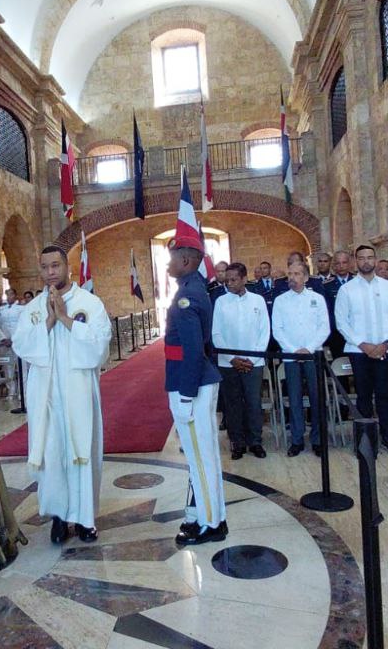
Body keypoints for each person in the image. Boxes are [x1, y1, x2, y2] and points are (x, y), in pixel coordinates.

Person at [12, 246, 111, 544]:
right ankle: (58, 516)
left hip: (78, 390)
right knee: (53, 454)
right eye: (45, 267)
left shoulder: (90, 303)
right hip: (46, 395)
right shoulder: (32, 309)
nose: (51, 272)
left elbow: (99, 347)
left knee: (82, 452)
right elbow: (21, 344)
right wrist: (49, 321)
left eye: (56, 265)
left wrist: (66, 318)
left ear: (67, 267)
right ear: (40, 270)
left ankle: (85, 520)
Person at [164, 233, 227, 545]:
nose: (167, 264)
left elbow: (192, 350)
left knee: (200, 458)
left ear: (186, 261)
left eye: (172, 258)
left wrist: (186, 394)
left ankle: (209, 524)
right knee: (205, 456)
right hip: (196, 380)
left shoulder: (188, 296)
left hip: (191, 383)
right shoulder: (194, 289)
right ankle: (213, 515)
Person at [335, 244, 388, 455]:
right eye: (361, 258)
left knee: (384, 395)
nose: (366, 261)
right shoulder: (346, 289)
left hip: (387, 350)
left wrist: (387, 342)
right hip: (359, 352)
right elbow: (342, 322)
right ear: (355, 261)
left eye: (370, 257)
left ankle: (387, 436)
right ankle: (365, 441)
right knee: (363, 397)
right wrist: (363, 345)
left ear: (375, 260)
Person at [212, 263, 271, 460]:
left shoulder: (258, 300)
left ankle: (255, 441)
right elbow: (216, 333)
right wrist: (233, 359)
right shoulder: (220, 302)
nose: (229, 283)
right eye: (227, 280)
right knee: (233, 404)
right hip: (229, 363)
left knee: (254, 403)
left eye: (234, 280)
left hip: (254, 362)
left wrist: (252, 359)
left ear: (244, 279)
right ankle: (237, 443)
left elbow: (265, 332)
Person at [272, 262, 329, 457]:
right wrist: (293, 350)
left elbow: (324, 328)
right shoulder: (280, 301)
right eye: (290, 274)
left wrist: (309, 348)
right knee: (294, 400)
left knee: (316, 398)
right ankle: (296, 440)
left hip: (314, 356)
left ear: (306, 277)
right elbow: (277, 329)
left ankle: (318, 440)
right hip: (290, 356)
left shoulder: (317, 298)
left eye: (297, 274)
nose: (292, 277)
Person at [320, 250, 354, 357]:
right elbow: (327, 311)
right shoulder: (326, 285)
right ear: (333, 266)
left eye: (344, 262)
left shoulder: (357, 282)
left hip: (357, 331)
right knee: (340, 365)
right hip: (337, 333)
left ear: (349, 264)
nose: (341, 266)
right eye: (338, 263)